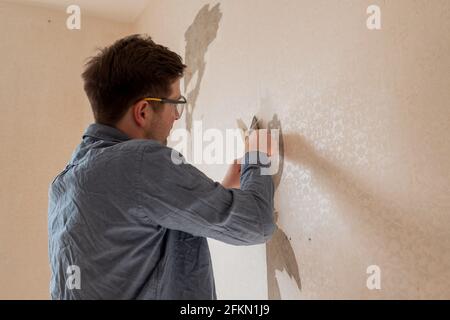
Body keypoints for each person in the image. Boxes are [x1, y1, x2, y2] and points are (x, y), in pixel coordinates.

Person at [48, 34, 275, 300]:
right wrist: (257, 156)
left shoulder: (66, 181)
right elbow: (257, 223)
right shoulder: (139, 162)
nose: (176, 117)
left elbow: (145, 236)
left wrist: (220, 192)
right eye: (175, 105)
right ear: (143, 111)